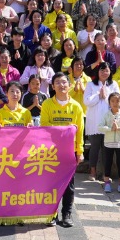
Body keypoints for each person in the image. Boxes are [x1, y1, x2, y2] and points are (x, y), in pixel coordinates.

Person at [40, 72, 84, 227]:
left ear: (69, 85)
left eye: (64, 82)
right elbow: (44, 127)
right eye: (57, 82)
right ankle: (51, 214)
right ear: (52, 87)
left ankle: (66, 214)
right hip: (51, 151)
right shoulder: (47, 105)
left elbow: (79, 132)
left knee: (68, 185)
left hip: (69, 152)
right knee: (51, 184)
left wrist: (80, 151)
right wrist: (65, 129)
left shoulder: (76, 107)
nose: (61, 85)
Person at [97, 92, 120, 194]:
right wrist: (110, 129)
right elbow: (99, 126)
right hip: (108, 143)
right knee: (108, 162)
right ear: (109, 103)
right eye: (112, 101)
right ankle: (107, 182)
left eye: (117, 101)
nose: (115, 103)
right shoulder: (106, 114)